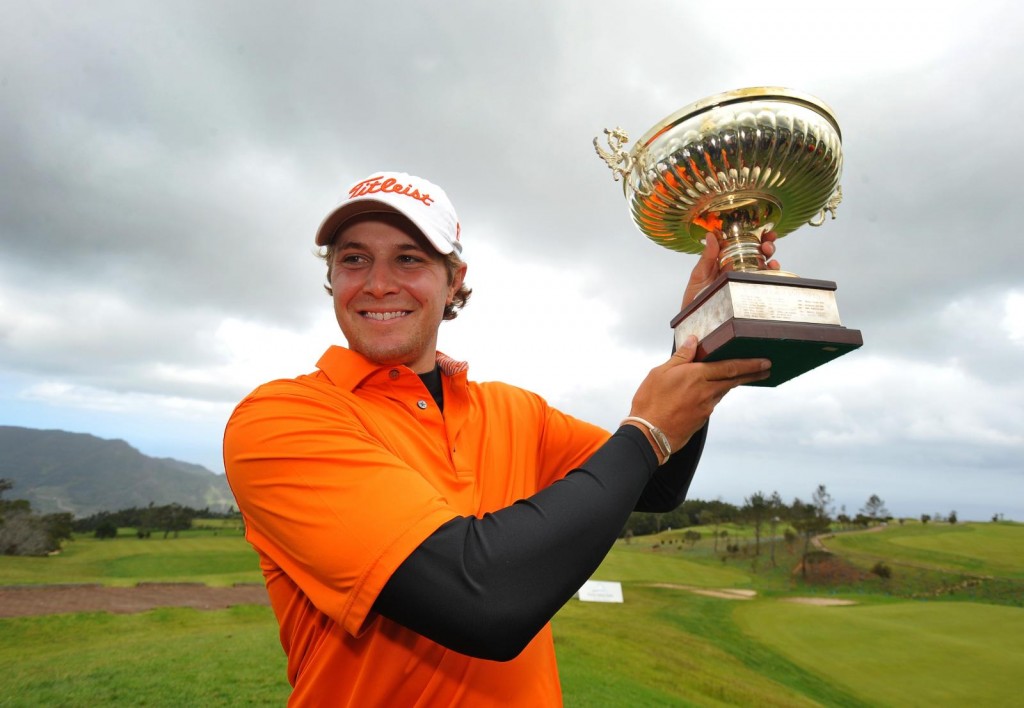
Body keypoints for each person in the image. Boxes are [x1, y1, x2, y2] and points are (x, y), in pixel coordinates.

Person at [223, 171, 776, 706]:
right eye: (354, 258)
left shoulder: (513, 410)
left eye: (408, 258)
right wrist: (646, 430)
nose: (377, 282)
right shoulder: (281, 419)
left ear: (454, 279)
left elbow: (654, 484)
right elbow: (481, 598)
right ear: (333, 277)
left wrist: (699, 333)